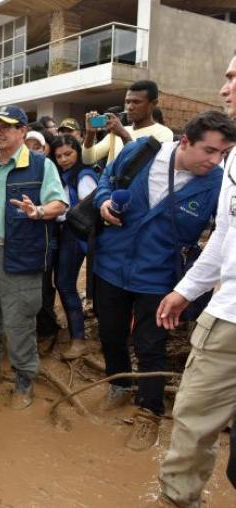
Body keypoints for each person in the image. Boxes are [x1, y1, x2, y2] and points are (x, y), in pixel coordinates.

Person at [93, 110, 234, 451]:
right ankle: (120, 385)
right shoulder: (140, 152)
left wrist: (192, 284)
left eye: (224, 154)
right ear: (185, 141)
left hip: (158, 279)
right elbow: (106, 180)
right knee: (111, 333)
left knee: (151, 346)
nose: (216, 161)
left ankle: (149, 412)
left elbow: (223, 236)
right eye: (210, 151)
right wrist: (103, 203)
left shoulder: (218, 183)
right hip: (110, 265)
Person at [156, 57, 236, 507]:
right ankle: (178, 500)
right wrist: (187, 290)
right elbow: (224, 234)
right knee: (192, 421)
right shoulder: (235, 161)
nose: (224, 89)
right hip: (227, 318)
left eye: (233, 78)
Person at [0, 105, 68, 409]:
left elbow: (59, 204)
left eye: (6, 127)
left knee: (19, 320)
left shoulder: (40, 166)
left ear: (23, 131)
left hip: (21, 254)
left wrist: (38, 212)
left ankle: (24, 378)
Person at [48, 135, 98, 359]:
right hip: (65, 232)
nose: (63, 159)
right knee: (62, 282)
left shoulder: (84, 176)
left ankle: (78, 339)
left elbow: (91, 209)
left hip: (75, 234)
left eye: (68, 154)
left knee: (65, 283)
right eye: (58, 156)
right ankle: (74, 333)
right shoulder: (62, 174)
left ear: (78, 152)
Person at [83, 80, 174, 166]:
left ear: (153, 103)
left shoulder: (164, 133)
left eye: (136, 102)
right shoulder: (117, 132)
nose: (129, 107)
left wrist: (124, 135)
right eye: (127, 102)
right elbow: (87, 160)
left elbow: (146, 166)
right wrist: (90, 134)